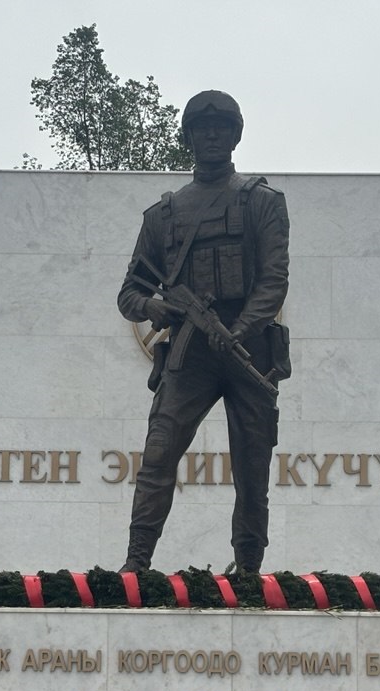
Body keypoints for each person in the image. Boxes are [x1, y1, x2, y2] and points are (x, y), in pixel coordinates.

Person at [117, 90, 290, 576]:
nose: (212, 136)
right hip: (188, 354)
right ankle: (136, 562)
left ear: (236, 135)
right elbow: (130, 293)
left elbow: (274, 280)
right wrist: (156, 307)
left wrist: (238, 329)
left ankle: (249, 570)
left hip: (248, 349)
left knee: (252, 468)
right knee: (158, 453)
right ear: (189, 138)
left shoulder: (262, 202)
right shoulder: (162, 216)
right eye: (202, 129)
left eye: (222, 128)